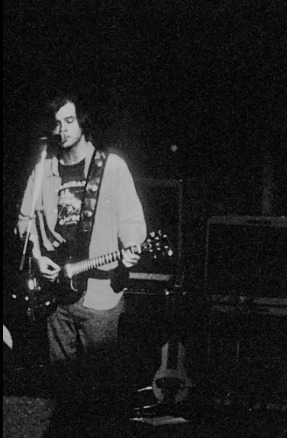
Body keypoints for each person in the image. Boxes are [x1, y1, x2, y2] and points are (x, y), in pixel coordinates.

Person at [15, 93, 146, 406]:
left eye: (69, 120)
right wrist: (37, 256)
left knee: (100, 394)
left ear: (84, 123)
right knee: (61, 393)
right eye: (57, 123)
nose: (62, 129)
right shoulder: (43, 168)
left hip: (99, 299)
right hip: (55, 299)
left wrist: (131, 248)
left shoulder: (111, 167)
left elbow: (131, 221)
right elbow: (24, 222)